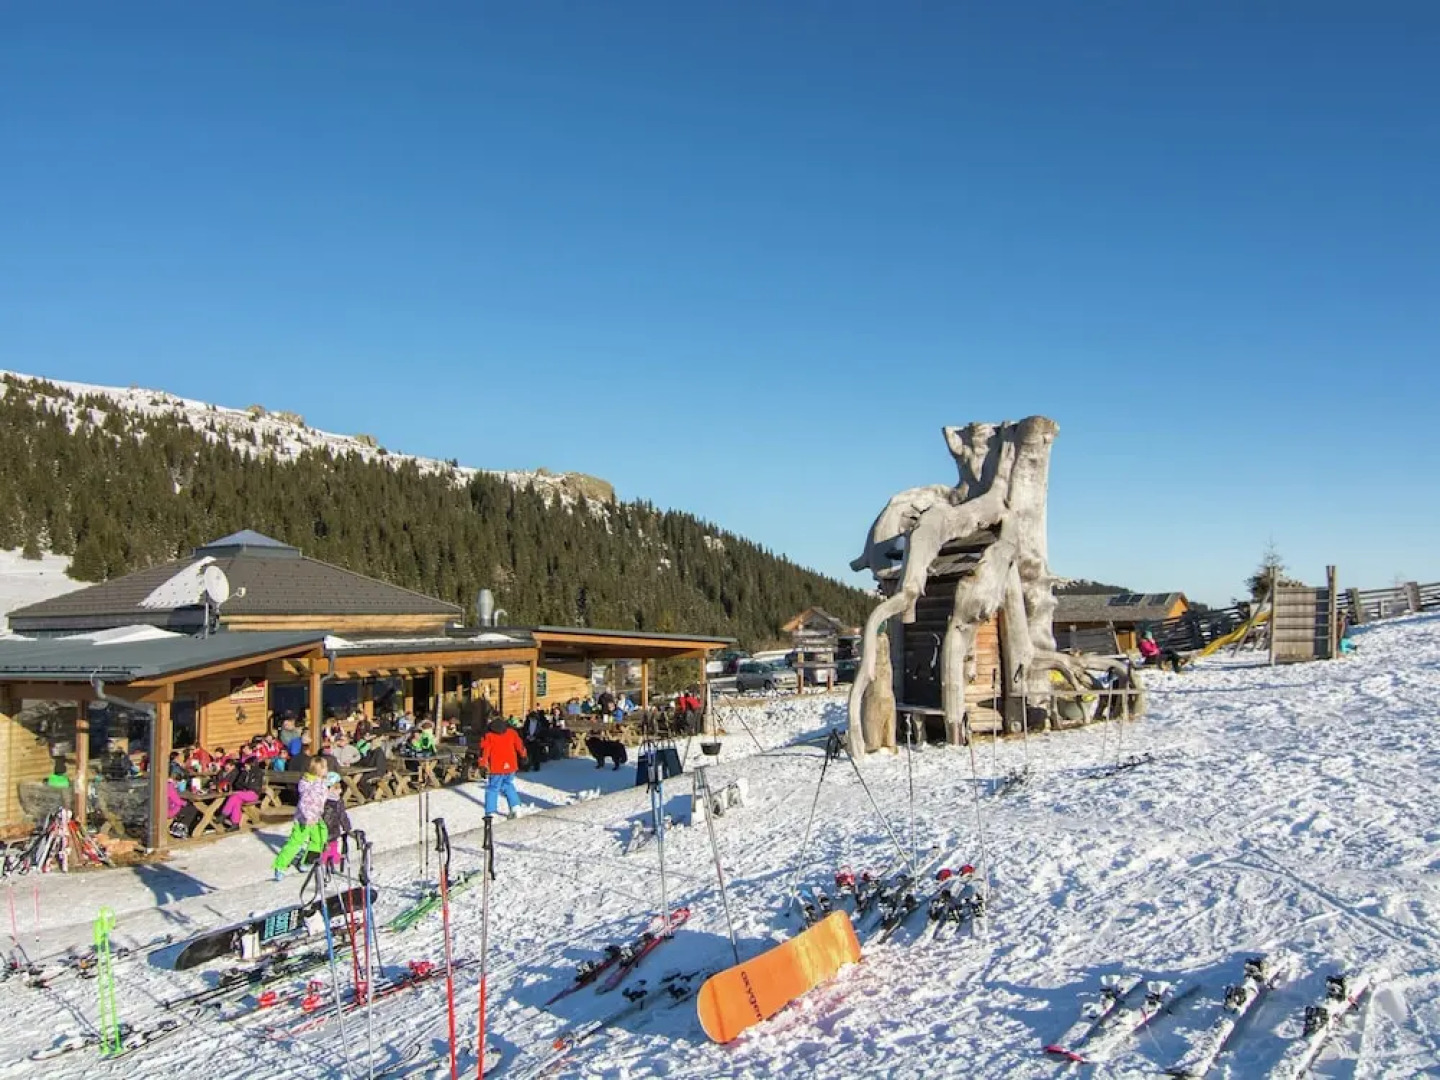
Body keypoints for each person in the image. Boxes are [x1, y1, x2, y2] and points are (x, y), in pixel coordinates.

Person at [272, 759, 333, 880]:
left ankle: (307, 861)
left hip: (317, 816)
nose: (327, 770)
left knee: (318, 839)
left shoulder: (321, 782)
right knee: (296, 842)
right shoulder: (310, 784)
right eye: (325, 768)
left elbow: (322, 798)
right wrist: (308, 817)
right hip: (304, 819)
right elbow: (305, 802)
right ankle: (280, 866)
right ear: (319, 770)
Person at [479, 717, 527, 819]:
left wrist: (482, 765)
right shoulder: (511, 732)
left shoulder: (489, 735)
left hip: (496, 767)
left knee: (493, 788)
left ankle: (491, 812)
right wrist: (523, 756)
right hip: (510, 765)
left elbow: (484, 751)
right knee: (508, 785)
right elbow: (519, 745)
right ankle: (516, 807)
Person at [220, 754, 267, 829]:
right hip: (243, 793)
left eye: (247, 765)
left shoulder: (258, 773)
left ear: (252, 765)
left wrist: (244, 786)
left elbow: (253, 787)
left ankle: (224, 814)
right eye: (245, 765)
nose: (245, 767)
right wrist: (245, 786)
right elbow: (237, 783)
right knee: (236, 800)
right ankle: (235, 824)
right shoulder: (244, 772)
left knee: (235, 795)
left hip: (253, 794)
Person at [318, 774, 352, 870]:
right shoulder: (336, 802)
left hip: (327, 827)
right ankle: (327, 858)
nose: (340, 791)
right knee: (330, 843)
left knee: (330, 843)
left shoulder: (322, 800)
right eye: (337, 788)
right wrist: (347, 827)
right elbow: (342, 815)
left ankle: (330, 857)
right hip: (330, 827)